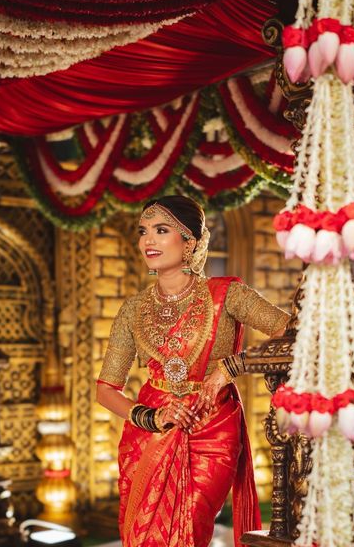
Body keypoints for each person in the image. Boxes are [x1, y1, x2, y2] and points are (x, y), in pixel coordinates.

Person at [96, 195, 290, 547]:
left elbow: (294, 334)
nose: (147, 241)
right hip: (150, 433)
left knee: (193, 525)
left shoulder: (227, 295)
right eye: (143, 231)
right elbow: (106, 389)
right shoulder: (133, 309)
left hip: (212, 425)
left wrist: (228, 369)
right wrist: (151, 418)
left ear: (191, 242)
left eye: (161, 230)